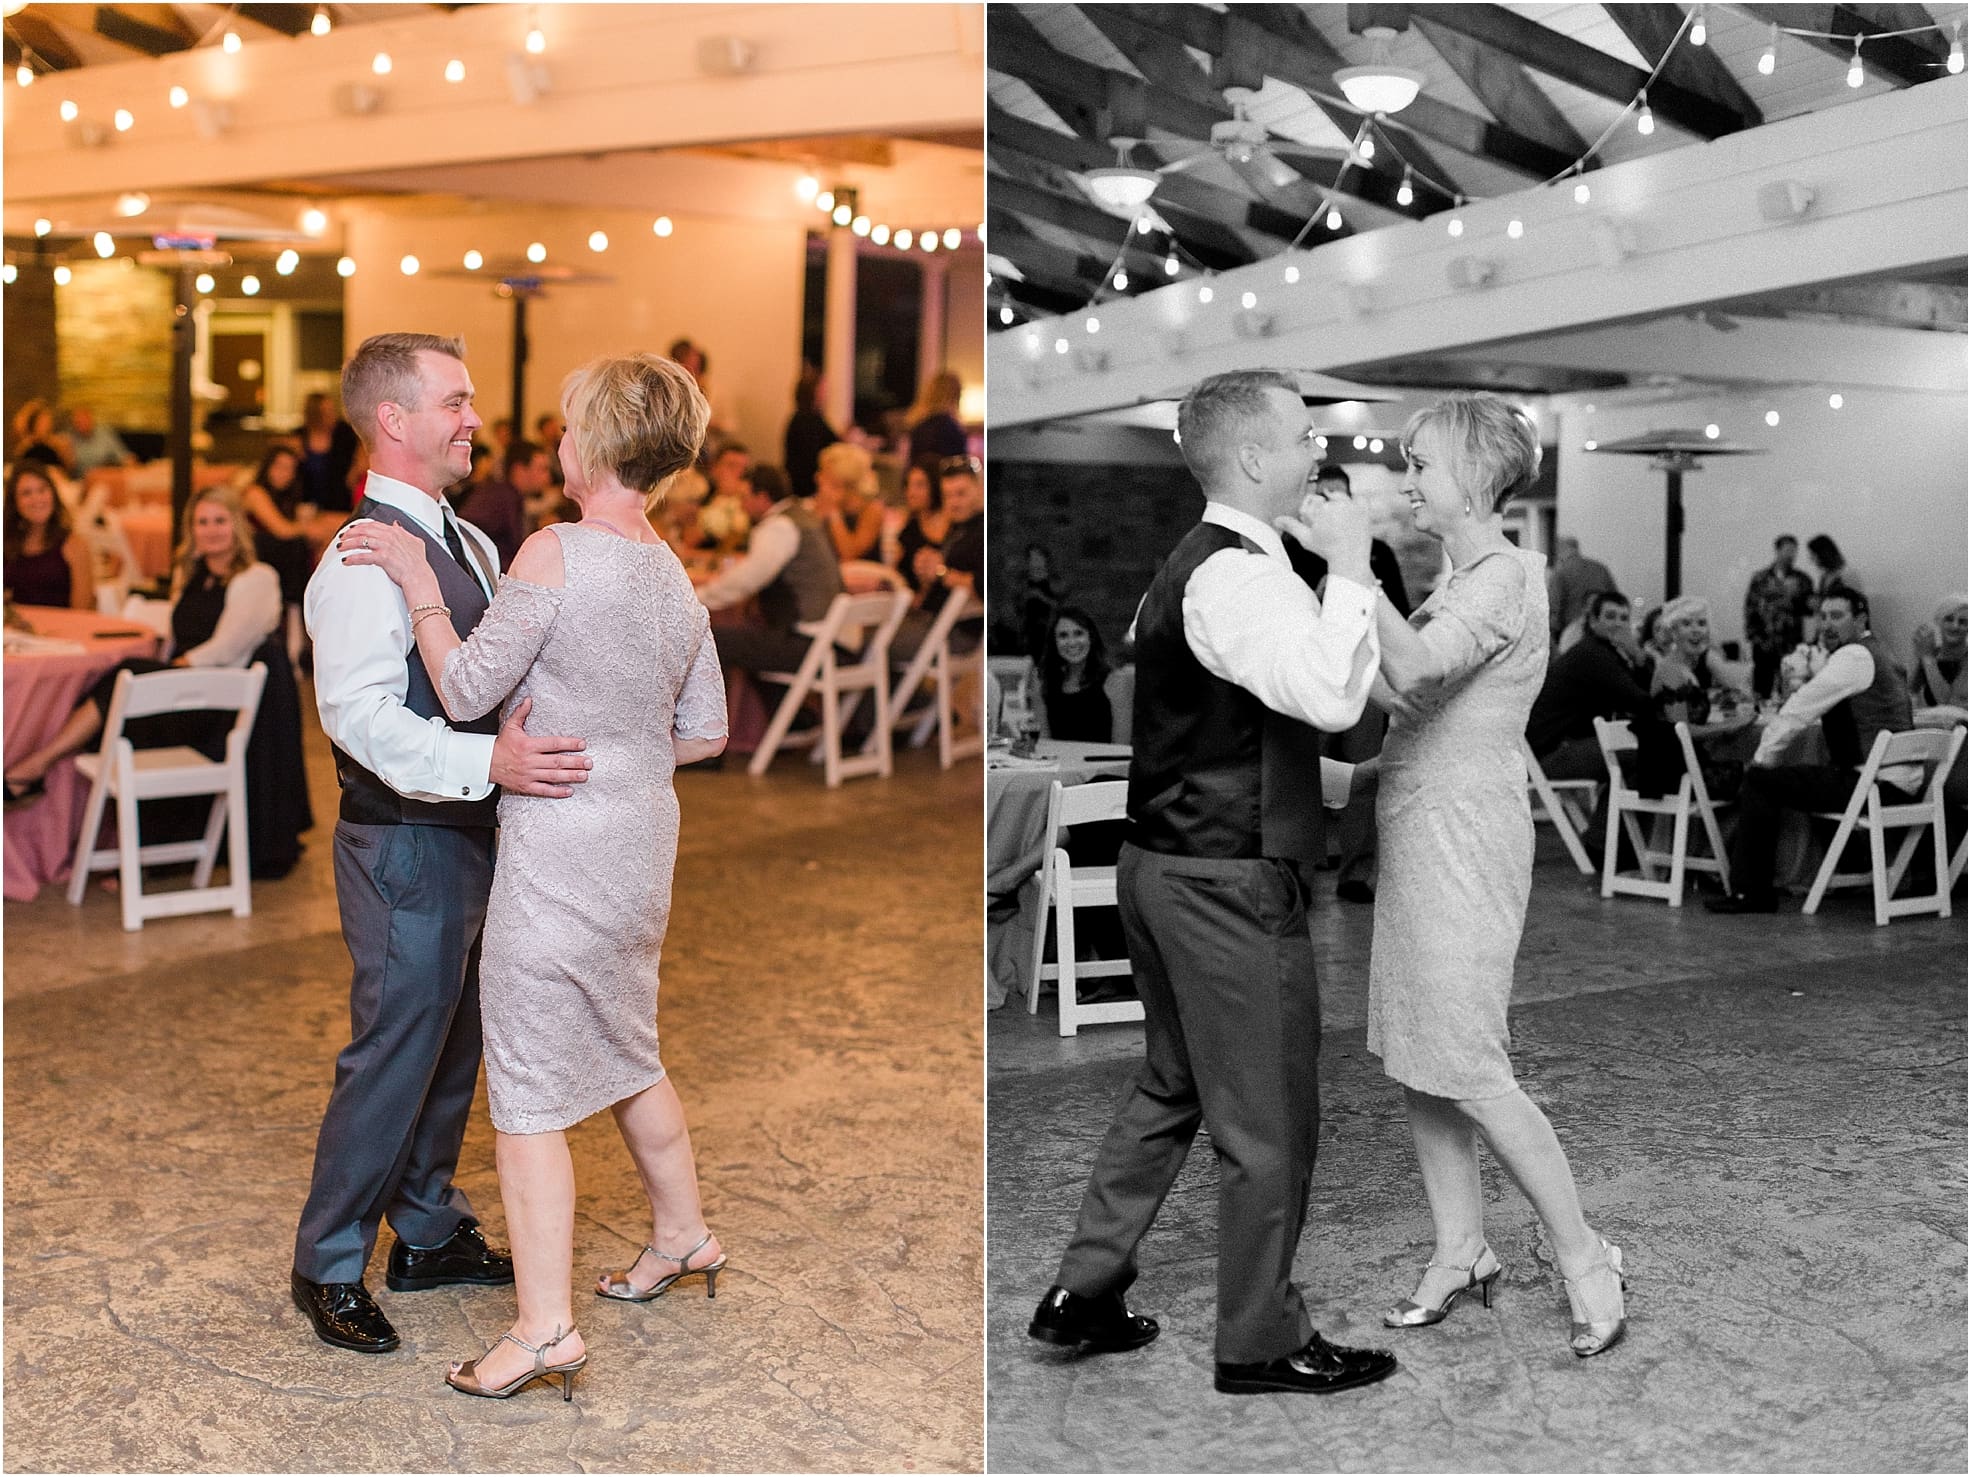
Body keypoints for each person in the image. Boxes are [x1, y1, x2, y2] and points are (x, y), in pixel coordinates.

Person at [340, 349, 728, 1401]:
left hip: (560, 845)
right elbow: (706, 731)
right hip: (641, 843)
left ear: (594, 443)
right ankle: (683, 1234)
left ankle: (545, 1329)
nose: (554, 441)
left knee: (525, 1089)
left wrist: (422, 586)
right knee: (629, 1042)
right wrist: (617, 745)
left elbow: (467, 691)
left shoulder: (553, 551)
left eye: (564, 426)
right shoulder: (671, 570)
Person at [1029, 369, 1397, 1398]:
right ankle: (1259, 1340)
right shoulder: (1239, 576)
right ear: (1251, 455)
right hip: (1223, 883)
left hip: (1165, 864)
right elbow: (1326, 693)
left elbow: (1222, 727)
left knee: (1172, 1085)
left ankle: (1083, 1290)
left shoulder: (1199, 564)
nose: (1319, 450)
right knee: (1269, 1118)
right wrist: (1355, 563)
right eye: (1304, 434)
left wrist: (1342, 781)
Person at [1292, 391, 1627, 1360]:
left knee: (1468, 1061)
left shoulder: (1507, 575)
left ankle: (1585, 1252)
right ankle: (1461, 1247)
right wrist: (1351, 774)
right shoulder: (1459, 581)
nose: (1407, 480)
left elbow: (1420, 671)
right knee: (1421, 1054)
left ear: (1475, 478)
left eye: (1421, 464)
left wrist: (1352, 563)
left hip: (1464, 845)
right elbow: (1418, 714)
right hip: (1419, 832)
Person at [291, 333, 593, 1360]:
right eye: (455, 402)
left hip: (475, 834)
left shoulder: (466, 542)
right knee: (393, 1049)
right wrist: (489, 763)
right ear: (393, 419)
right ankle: (328, 1260)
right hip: (406, 842)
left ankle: (424, 1228)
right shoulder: (359, 556)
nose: (474, 419)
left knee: (456, 1041)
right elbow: (360, 719)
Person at [3, 487, 310, 879]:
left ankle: (35, 765)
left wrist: (174, 669)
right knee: (120, 683)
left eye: (219, 521)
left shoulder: (257, 577)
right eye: (202, 522)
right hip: (190, 689)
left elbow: (225, 649)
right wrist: (168, 669)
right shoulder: (192, 572)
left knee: (125, 678)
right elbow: (178, 634)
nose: (211, 530)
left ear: (236, 526)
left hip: (221, 700)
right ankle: (115, 833)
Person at [1708, 586, 1916, 914]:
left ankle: (1751, 893)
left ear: (1860, 619)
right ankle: (1850, 864)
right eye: (1823, 616)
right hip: (1902, 784)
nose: (1827, 624)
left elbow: (1798, 709)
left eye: (1837, 616)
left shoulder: (1853, 656)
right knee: (1819, 774)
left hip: (1874, 786)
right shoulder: (1882, 653)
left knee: (1762, 782)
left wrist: (1762, 760)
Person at [1283, 464, 1413, 904]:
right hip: (1310, 671)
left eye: (1340, 496)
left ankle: (1356, 872)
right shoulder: (1292, 551)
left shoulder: (1376, 552)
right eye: (1325, 496)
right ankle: (1298, 873)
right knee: (1304, 773)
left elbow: (1400, 612)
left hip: (1365, 672)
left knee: (1363, 774)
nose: (1332, 505)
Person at [695, 442, 844, 680]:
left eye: (745, 497)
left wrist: (697, 599)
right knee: (739, 637)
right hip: (829, 640)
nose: (742, 505)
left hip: (805, 641)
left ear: (763, 498)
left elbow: (746, 580)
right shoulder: (801, 516)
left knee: (709, 640)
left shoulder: (779, 526)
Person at [1525, 591, 1655, 781]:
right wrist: (1637, 654)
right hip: (1551, 753)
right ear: (1593, 622)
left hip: (1555, 749)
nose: (1618, 624)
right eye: (1610, 616)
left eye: (1624, 618)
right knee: (1653, 753)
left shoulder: (1602, 652)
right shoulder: (1593, 655)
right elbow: (1640, 702)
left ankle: (1613, 802)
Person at [895, 455, 983, 660]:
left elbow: (981, 586)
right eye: (948, 496)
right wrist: (926, 571)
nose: (954, 503)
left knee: (873, 642)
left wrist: (941, 572)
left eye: (961, 494)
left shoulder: (981, 532)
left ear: (979, 489)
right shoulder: (957, 528)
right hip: (933, 622)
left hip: (955, 632)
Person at [3, 462, 94, 611]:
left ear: (53, 494)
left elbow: (81, 612)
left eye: (42, 490)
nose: (37, 499)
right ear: (15, 502)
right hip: (17, 624)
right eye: (26, 493)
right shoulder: (8, 542)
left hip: (63, 624)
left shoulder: (74, 545)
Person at [1742, 535, 1815, 698]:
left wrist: (1797, 596)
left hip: (1791, 643)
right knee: (1762, 689)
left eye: (1794, 551)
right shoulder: (1760, 578)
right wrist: (1754, 637)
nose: (1791, 555)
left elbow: (1810, 611)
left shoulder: (1802, 580)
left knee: (1792, 689)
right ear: (1777, 550)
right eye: (1787, 550)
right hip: (1764, 642)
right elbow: (1750, 609)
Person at [457, 437, 544, 570]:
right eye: (542, 469)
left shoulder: (508, 496)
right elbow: (465, 529)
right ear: (519, 470)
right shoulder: (498, 498)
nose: (547, 477)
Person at [1036, 605, 1113, 743]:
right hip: (1057, 757)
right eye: (1063, 635)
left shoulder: (1115, 681)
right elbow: (1044, 745)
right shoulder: (1044, 685)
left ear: (1091, 637)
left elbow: (1122, 749)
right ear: (1054, 642)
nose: (1072, 642)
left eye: (1078, 633)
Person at [814, 442, 883, 562]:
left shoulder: (872, 509)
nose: (818, 478)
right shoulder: (820, 503)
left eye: (825, 477)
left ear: (845, 485)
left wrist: (834, 515)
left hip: (863, 571)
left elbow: (850, 555)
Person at [891, 455, 949, 594]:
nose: (911, 492)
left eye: (920, 485)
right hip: (906, 596)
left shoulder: (953, 526)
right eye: (909, 485)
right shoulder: (911, 524)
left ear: (936, 486)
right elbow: (896, 569)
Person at [297, 392, 362, 513]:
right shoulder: (300, 435)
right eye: (326, 412)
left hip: (339, 497)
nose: (333, 415)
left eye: (332, 410)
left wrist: (355, 469)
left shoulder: (345, 432)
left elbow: (363, 449)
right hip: (307, 498)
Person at [783, 365, 840, 501]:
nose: (827, 394)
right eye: (823, 389)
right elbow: (812, 456)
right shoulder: (806, 420)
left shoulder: (810, 418)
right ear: (814, 391)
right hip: (807, 488)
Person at [1545, 536, 1617, 643]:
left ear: (1561, 550)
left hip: (1572, 634)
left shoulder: (1561, 572)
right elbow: (1616, 599)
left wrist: (1552, 638)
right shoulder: (1600, 568)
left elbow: (1553, 608)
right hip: (1603, 631)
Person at [1910, 596, 1968, 707]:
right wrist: (1917, 653)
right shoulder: (1931, 652)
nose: (1955, 626)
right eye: (1949, 619)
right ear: (1939, 622)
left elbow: (1950, 704)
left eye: (1962, 622)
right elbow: (1908, 691)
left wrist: (1927, 658)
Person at [904, 370, 968, 466]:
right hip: (943, 474)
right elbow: (958, 463)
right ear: (955, 395)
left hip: (919, 474)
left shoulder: (919, 425)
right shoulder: (950, 427)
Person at [65, 404, 137, 473]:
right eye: (77, 421)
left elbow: (124, 456)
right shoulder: (68, 438)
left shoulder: (105, 433)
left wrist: (132, 468)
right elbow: (69, 468)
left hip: (105, 475)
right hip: (79, 478)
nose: (81, 423)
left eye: (84, 418)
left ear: (91, 418)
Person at [12, 399, 73, 474]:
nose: (47, 425)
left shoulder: (57, 443)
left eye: (48, 421)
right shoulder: (27, 447)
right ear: (34, 423)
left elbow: (68, 467)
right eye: (42, 422)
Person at [1807, 534, 1860, 598]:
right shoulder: (1824, 577)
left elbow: (1858, 599)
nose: (1811, 559)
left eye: (1813, 555)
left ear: (1823, 554)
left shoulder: (1847, 574)